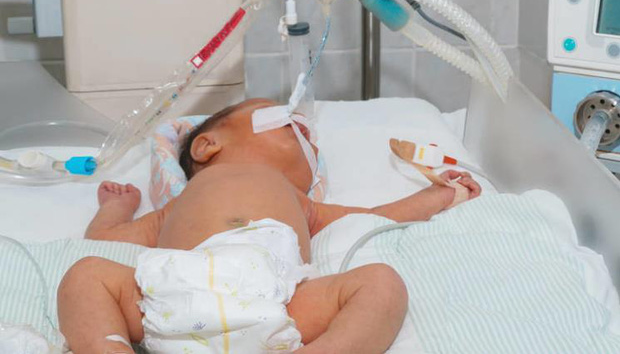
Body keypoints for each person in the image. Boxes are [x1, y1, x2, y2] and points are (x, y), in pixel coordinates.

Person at [58, 98, 481, 354]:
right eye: (282, 118)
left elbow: (372, 218)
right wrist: (117, 206)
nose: (304, 132)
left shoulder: (298, 201)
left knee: (382, 283)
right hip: (174, 299)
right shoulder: (183, 201)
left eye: (309, 138)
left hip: (278, 304)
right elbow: (106, 239)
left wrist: (438, 197)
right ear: (207, 146)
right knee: (84, 275)